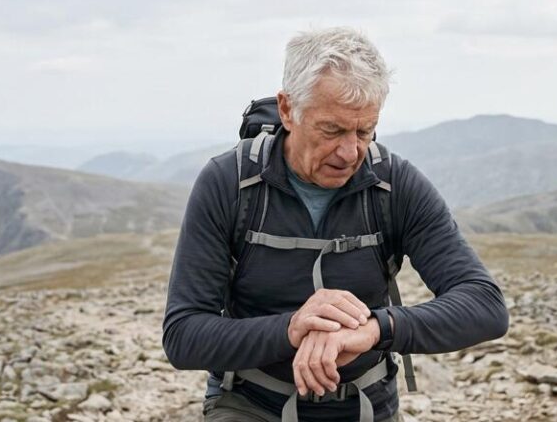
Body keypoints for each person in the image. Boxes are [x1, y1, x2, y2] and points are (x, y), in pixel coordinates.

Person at [163, 27, 508, 421]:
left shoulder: (393, 185)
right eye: (332, 130)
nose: (349, 153)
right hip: (251, 405)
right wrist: (291, 329)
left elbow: (485, 305)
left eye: (364, 131)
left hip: (365, 405)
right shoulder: (229, 182)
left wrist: (377, 328)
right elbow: (183, 335)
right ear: (288, 109)